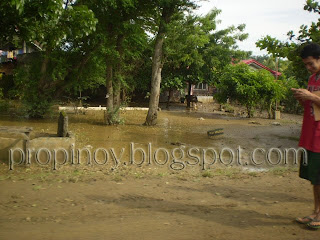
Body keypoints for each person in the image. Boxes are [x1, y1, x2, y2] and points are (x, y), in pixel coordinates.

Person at [292, 42, 320, 229]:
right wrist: (303, 98)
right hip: (311, 135)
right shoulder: (313, 79)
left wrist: (312, 97)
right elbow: (312, 106)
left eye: (311, 63)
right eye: (306, 64)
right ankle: (316, 211)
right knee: (315, 178)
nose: (309, 68)